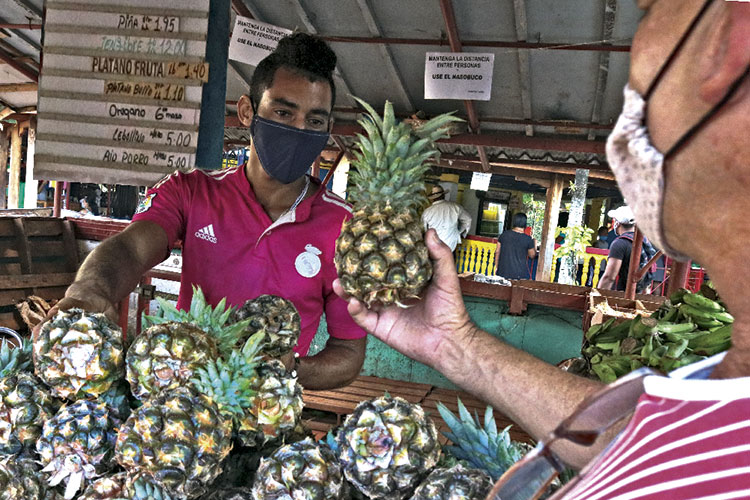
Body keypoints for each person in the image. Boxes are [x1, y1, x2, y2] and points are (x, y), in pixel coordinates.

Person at [335, 0, 750, 495]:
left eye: (649, 8)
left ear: (729, 45)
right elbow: (642, 443)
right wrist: (453, 344)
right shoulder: (728, 386)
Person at [47, 33, 367, 390]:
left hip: (268, 407)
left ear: (328, 129)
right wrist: (91, 289)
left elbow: (348, 352)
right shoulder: (191, 190)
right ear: (247, 112)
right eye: (283, 112)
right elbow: (131, 247)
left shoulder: (346, 227)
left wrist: (292, 369)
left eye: (315, 121)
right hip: (178, 396)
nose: (299, 129)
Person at [421, 184, 472, 252]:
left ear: (432, 198)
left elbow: (424, 229)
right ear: (444, 195)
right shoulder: (455, 207)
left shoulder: (427, 212)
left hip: (433, 247)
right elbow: (468, 219)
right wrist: (459, 232)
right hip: (451, 246)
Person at [496, 213, 537, 280]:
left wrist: (497, 267)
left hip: (502, 272)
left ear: (514, 222)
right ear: (525, 224)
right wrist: (534, 243)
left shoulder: (504, 235)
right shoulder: (527, 239)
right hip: (519, 274)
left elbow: (497, 251)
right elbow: (532, 255)